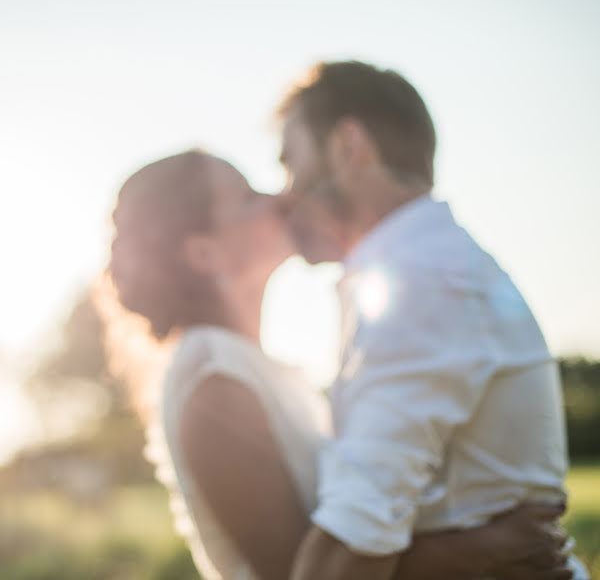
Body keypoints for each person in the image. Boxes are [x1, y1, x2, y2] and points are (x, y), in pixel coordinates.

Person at [109, 149, 575, 580]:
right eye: (249, 197)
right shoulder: (212, 377)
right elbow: (297, 570)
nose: (280, 199)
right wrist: (484, 550)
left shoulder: (255, 367)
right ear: (204, 253)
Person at [276, 60, 588, 580]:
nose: (284, 193)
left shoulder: (425, 282)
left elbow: (353, 542)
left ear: (348, 146)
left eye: (290, 160)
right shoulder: (422, 269)